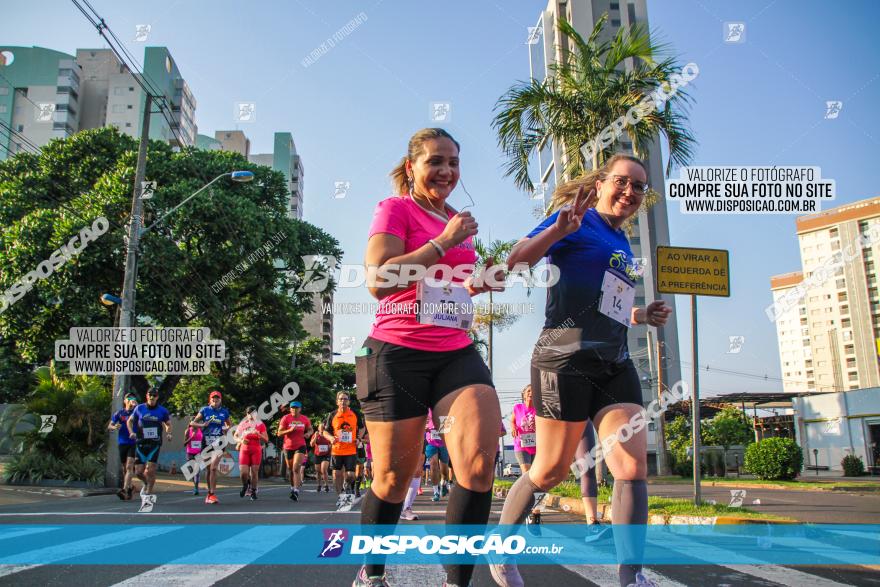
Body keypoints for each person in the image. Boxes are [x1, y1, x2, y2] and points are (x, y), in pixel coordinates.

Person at [491, 154, 673, 587]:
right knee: (550, 470)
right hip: (563, 354)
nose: (630, 193)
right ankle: (502, 545)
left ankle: (631, 576)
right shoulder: (574, 220)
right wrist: (558, 228)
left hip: (614, 360)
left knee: (631, 468)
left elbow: (607, 305)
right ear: (602, 182)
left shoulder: (621, 242)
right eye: (623, 183)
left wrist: (641, 313)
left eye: (639, 187)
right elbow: (516, 261)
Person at [352, 128, 504, 587]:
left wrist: (479, 281)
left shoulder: (457, 218)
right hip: (397, 354)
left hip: (455, 351)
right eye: (436, 161)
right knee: (394, 478)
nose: (447, 171)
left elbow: (445, 285)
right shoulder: (395, 209)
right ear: (413, 165)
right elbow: (380, 279)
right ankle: (373, 573)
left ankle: (456, 581)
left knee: (479, 463)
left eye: (454, 162)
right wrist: (442, 241)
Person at [126, 388, 172, 504]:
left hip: (154, 443)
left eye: (154, 395)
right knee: (138, 472)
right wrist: (131, 432)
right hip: (141, 443)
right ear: (147, 396)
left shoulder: (162, 411)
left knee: (150, 470)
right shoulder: (139, 408)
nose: (152, 397)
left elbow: (168, 424)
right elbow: (129, 421)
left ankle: (148, 492)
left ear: (157, 397)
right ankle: (146, 482)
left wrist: (168, 433)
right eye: (150, 395)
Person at [190, 390, 232, 504]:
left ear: (220, 400)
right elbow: (192, 423)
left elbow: (229, 424)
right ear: (210, 399)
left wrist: (226, 429)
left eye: (217, 398)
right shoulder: (205, 410)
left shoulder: (224, 412)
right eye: (213, 398)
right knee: (209, 469)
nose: (215, 400)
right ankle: (209, 494)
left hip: (219, 443)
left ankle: (212, 494)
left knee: (213, 468)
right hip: (206, 443)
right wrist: (202, 425)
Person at [322, 391, 363, 502]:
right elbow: (325, 432)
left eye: (345, 399)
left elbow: (362, 427)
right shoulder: (332, 415)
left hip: (351, 449)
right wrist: (330, 438)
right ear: (337, 401)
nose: (343, 401)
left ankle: (347, 483)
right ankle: (340, 496)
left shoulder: (355, 414)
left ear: (349, 401)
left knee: (350, 474)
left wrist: (359, 438)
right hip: (337, 450)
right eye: (341, 399)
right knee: (336, 474)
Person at [510, 385, 539, 523]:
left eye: (533, 391)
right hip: (521, 445)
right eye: (528, 391)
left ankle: (535, 511)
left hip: (537, 446)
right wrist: (513, 427)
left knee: (538, 479)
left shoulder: (539, 409)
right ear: (524, 394)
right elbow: (512, 420)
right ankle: (529, 511)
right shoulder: (518, 408)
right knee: (527, 475)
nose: (531, 393)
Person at [277, 401, 312, 500]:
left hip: (300, 446)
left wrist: (308, 433)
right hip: (288, 447)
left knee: (296, 468)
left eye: (296, 408)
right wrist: (289, 430)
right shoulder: (285, 418)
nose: (294, 409)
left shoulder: (304, 419)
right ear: (290, 409)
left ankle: (296, 491)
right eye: (292, 408)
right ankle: (292, 487)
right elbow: (279, 433)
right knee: (290, 470)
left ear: (300, 409)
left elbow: (310, 429)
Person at [108, 392, 138, 500]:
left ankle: (124, 489)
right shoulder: (119, 413)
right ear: (125, 401)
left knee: (129, 467)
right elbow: (109, 426)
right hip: (122, 442)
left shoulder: (136, 412)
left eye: (133, 398)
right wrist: (115, 426)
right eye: (129, 398)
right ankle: (130, 488)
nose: (131, 400)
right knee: (125, 469)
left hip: (133, 443)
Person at [235, 405, 269, 501]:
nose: (251, 415)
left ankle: (253, 491)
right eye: (249, 413)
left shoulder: (260, 424)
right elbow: (235, 436)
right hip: (244, 450)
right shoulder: (243, 424)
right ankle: (245, 486)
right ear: (246, 414)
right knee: (243, 473)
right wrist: (240, 441)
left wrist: (258, 434)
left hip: (256, 450)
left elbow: (266, 439)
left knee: (254, 472)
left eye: (253, 413)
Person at [425, 408, 451, 502]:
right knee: (433, 465)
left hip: (444, 442)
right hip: (430, 442)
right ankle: (436, 492)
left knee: (444, 469)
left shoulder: (445, 406)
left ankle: (444, 483)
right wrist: (425, 426)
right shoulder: (426, 409)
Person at [184, 415, 204, 495]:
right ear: (191, 423)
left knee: (197, 471)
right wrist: (191, 438)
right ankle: (195, 485)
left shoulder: (200, 430)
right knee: (191, 471)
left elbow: (203, 441)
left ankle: (196, 488)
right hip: (190, 453)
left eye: (197, 422)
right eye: (194, 422)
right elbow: (184, 443)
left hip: (199, 453)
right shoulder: (188, 431)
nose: (196, 424)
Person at [311, 422, 332, 492]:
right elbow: (311, 444)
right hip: (318, 455)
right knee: (318, 471)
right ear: (318, 428)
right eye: (321, 427)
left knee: (323, 469)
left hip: (326, 454)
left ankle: (326, 485)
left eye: (323, 427)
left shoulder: (327, 435)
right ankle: (319, 485)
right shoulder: (316, 435)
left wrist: (330, 446)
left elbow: (332, 442)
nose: (322, 428)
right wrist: (316, 436)